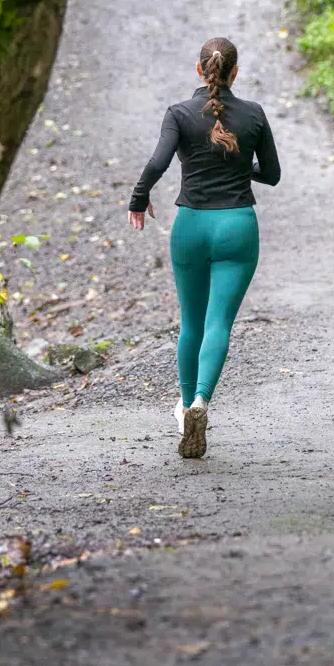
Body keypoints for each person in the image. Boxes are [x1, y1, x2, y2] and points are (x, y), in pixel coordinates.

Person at [128, 37, 281, 459]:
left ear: (200, 70)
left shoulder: (178, 113)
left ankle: (183, 409)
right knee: (219, 324)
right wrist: (236, 162)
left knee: (190, 323)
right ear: (235, 73)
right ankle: (200, 402)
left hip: (191, 225)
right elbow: (271, 174)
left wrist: (138, 199)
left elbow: (158, 162)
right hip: (237, 227)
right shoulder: (253, 114)